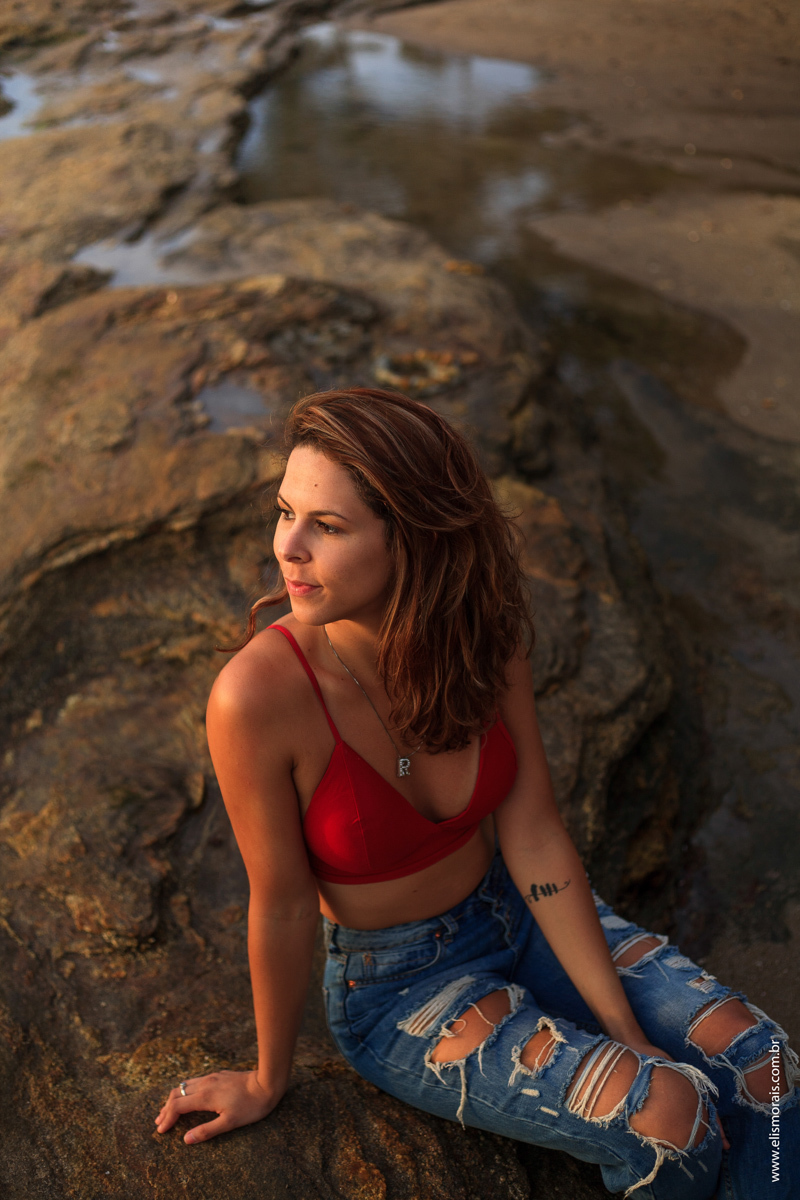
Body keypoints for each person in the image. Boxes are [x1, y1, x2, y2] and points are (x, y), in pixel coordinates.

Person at [155, 388, 798, 1198]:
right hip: (403, 989)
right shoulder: (255, 698)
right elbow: (281, 904)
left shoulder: (480, 634)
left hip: (518, 910)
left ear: (413, 540)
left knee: (763, 1064)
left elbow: (533, 833)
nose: (288, 546)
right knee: (674, 1121)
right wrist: (265, 1076)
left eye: (327, 525)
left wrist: (623, 1024)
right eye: (285, 512)